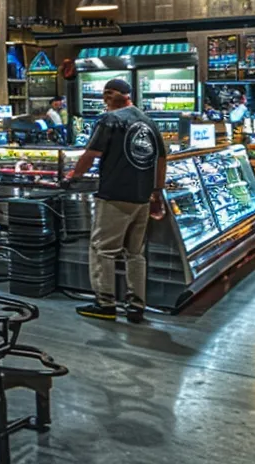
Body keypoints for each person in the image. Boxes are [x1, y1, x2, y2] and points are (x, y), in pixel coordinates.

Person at [68, 78, 167, 323]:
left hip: (114, 196)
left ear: (124, 94)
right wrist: (156, 192)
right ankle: (136, 307)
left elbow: (91, 154)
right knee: (135, 253)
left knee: (103, 249)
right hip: (141, 197)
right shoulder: (148, 122)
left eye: (109, 93)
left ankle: (105, 304)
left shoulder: (110, 120)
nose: (105, 98)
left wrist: (73, 175)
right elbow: (161, 160)